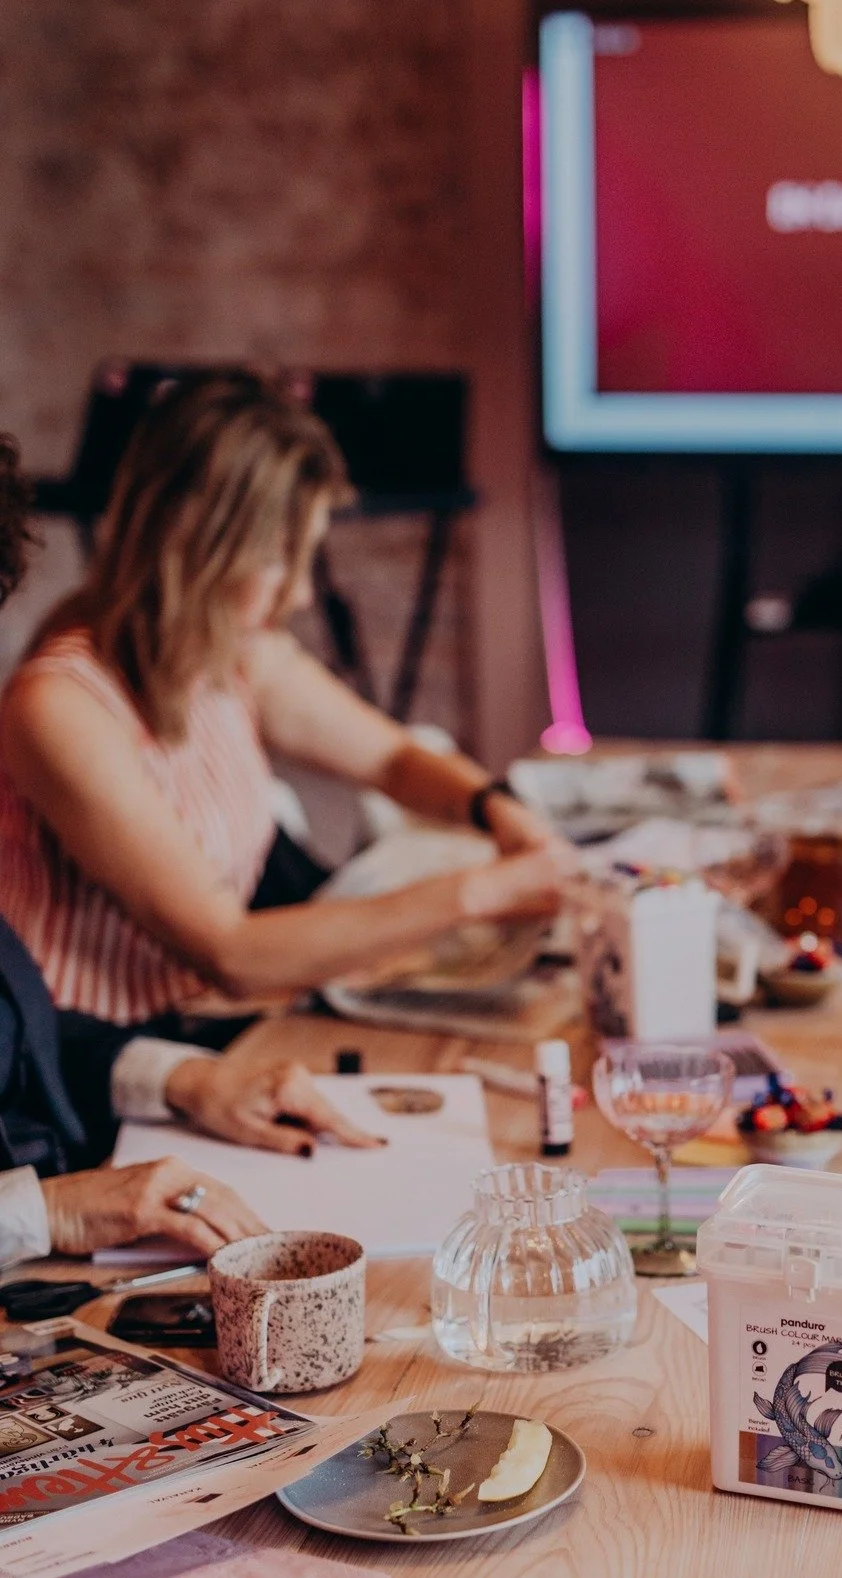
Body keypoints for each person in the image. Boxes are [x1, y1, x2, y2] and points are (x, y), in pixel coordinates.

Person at [0, 371, 577, 1033]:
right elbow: (231, 952)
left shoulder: (236, 655)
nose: (301, 594)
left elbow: (392, 760)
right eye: (280, 558)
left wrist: (493, 807)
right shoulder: (61, 709)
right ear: (198, 544)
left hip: (213, 1027)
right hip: (98, 1069)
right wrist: (479, 894)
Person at [0, 431, 370, 1268]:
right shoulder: (59, 700)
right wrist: (43, 1211)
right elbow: (229, 951)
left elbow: (22, 1029)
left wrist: (185, 1080)